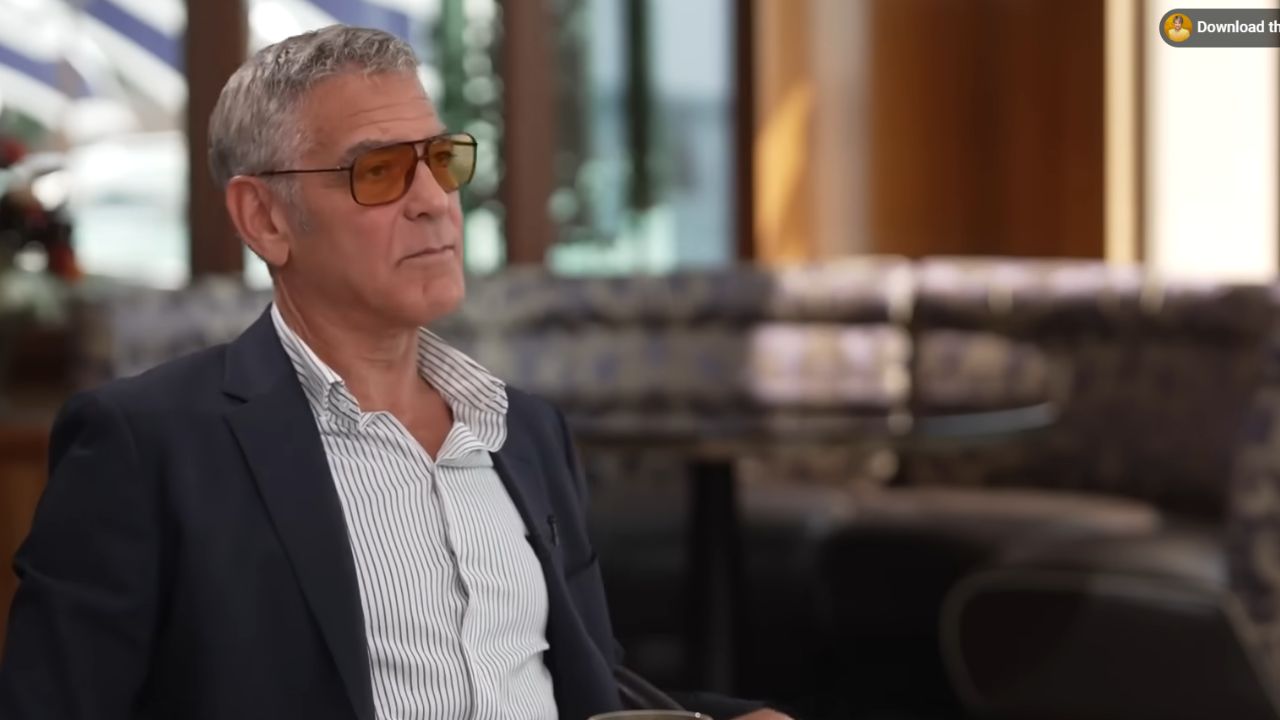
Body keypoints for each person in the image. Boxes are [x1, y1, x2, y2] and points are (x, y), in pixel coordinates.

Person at [0, 25, 789, 720]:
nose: (435, 201)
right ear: (265, 218)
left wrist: (723, 716)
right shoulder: (146, 446)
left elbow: (576, 682)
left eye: (441, 160)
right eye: (378, 172)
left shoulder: (527, 432)